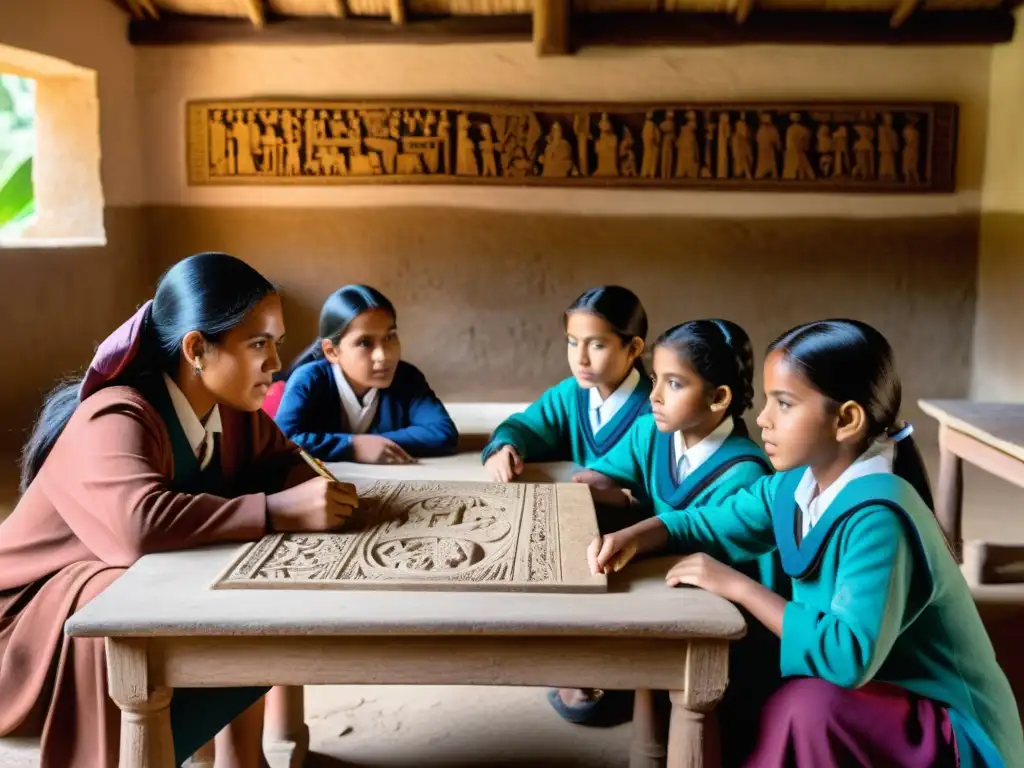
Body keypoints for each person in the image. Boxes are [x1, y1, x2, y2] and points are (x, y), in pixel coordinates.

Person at [589, 319, 1024, 767]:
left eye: (784, 403)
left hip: (951, 727)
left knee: (806, 708)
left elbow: (845, 656)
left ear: (847, 419)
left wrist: (736, 585)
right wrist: (640, 535)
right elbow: (719, 522)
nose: (762, 418)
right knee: (783, 700)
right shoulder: (796, 484)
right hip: (874, 694)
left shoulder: (880, 516)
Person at [0, 252, 358, 768]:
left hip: (98, 605)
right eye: (259, 344)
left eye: (276, 344)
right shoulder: (118, 413)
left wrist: (314, 491)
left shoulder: (232, 409)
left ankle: (243, 758)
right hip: (34, 634)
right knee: (122, 589)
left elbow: (284, 462)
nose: (276, 364)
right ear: (196, 348)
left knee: (247, 577)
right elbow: (137, 528)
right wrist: (278, 510)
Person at [482, 286, 650, 483]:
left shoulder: (657, 408)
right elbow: (523, 427)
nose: (581, 359)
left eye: (597, 345)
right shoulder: (568, 394)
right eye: (572, 342)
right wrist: (504, 448)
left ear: (634, 348)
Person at [275, 285, 458, 464]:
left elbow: (441, 432)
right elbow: (282, 441)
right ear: (331, 351)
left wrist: (372, 443)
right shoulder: (309, 379)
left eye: (389, 337)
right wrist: (352, 446)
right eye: (364, 343)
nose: (383, 356)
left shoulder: (407, 378)